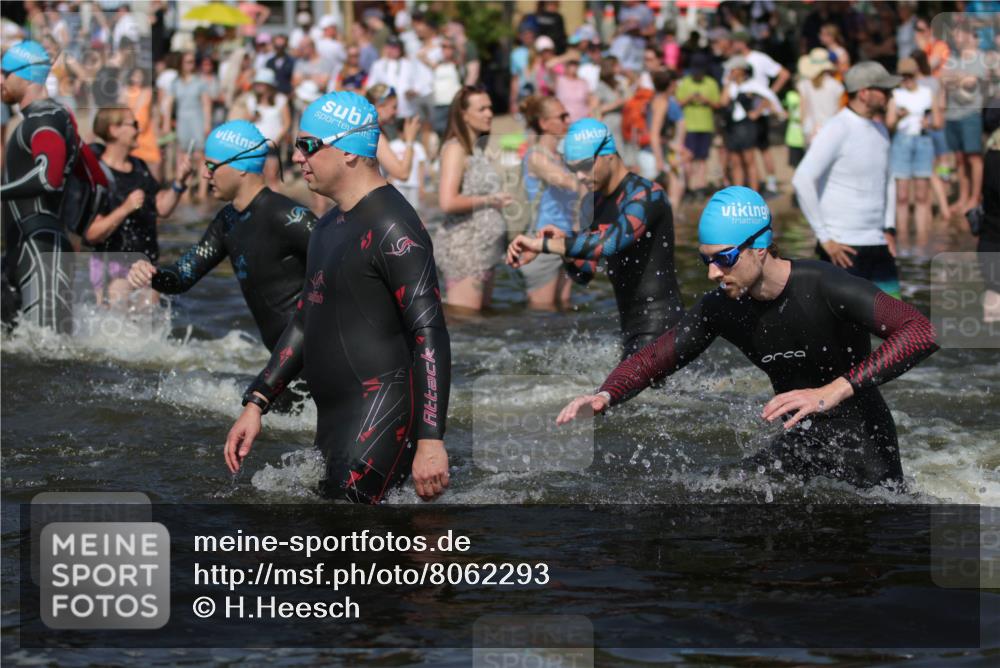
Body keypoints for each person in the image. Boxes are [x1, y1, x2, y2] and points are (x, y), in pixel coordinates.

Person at [556, 186, 939, 489]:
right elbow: (656, 356)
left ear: (759, 247)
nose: (712, 273)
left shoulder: (825, 285)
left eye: (723, 259)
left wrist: (832, 391)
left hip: (865, 445)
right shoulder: (722, 306)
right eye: (706, 261)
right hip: (802, 440)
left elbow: (922, 331)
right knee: (718, 498)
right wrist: (606, 394)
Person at [224, 91, 451, 503]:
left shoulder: (394, 227)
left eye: (309, 145)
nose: (296, 158)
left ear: (349, 151)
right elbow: (304, 320)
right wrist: (257, 401)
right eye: (296, 145)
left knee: (358, 550)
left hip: (382, 418)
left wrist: (430, 440)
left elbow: (429, 333)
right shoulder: (328, 227)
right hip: (334, 420)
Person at [127, 121, 317, 353]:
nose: (205, 174)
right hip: (283, 362)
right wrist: (152, 275)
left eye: (212, 166)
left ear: (241, 167)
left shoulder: (287, 216)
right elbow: (183, 276)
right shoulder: (227, 221)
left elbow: (347, 269)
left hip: (316, 357)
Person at [506, 118, 683, 357]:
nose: (579, 176)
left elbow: (609, 243)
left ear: (608, 154)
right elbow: (583, 273)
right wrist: (564, 246)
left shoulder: (647, 194)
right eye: (572, 169)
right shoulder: (593, 203)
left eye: (585, 165)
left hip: (661, 325)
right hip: (630, 327)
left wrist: (544, 244)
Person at [1, 40, 107, 333]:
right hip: (26, 249)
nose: (0, 80)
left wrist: (74, 233)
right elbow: (98, 182)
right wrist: (76, 233)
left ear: (26, 75)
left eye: (4, 73)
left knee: (49, 360)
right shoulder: (55, 117)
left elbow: (49, 176)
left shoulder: (44, 117)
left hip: (40, 252)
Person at [792, 62, 901, 298]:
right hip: (842, 249)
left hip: (879, 243)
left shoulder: (880, 130)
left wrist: (889, 228)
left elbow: (888, 180)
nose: (890, 95)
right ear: (864, 93)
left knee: (898, 325)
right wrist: (825, 239)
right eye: (884, 90)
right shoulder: (837, 128)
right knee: (846, 332)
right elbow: (802, 179)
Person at [86, 107, 191, 308]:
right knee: (117, 323)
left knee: (150, 322)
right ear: (114, 130)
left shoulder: (139, 166)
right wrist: (125, 208)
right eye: (133, 124)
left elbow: (162, 208)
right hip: (112, 266)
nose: (138, 129)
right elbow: (92, 234)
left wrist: (179, 182)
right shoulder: (97, 173)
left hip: (145, 263)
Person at [436, 86, 513, 311]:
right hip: (465, 249)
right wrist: (491, 200)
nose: (489, 113)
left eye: (490, 107)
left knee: (482, 321)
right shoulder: (455, 149)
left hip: (485, 249)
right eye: (481, 109)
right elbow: (447, 202)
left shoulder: (477, 149)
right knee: (467, 321)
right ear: (463, 114)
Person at [518, 95, 581, 310]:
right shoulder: (536, 157)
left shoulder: (562, 157)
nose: (568, 121)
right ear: (544, 123)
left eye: (568, 115)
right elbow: (567, 183)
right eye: (562, 116)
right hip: (541, 243)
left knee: (564, 310)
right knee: (543, 317)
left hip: (565, 240)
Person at [887, 58, 940, 254]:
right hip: (902, 141)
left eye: (909, 75)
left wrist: (930, 123)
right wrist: (899, 115)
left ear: (916, 74)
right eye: (904, 76)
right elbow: (889, 123)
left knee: (922, 195)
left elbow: (938, 122)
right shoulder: (896, 94)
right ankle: (901, 240)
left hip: (922, 141)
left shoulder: (927, 93)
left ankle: (921, 241)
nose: (906, 79)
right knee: (901, 196)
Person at [728, 32, 790, 197]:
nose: (731, 44)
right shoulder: (734, 62)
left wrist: (769, 96)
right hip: (742, 116)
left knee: (762, 150)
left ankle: (770, 185)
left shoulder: (759, 58)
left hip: (757, 114)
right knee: (744, 155)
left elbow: (784, 74)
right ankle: (747, 190)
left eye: (734, 41)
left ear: (742, 42)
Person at [942, 21, 986, 217]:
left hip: (970, 113)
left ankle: (975, 198)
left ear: (969, 36)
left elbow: (971, 82)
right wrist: (958, 78)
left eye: (959, 34)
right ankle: (963, 197)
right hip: (951, 113)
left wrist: (955, 79)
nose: (955, 38)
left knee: (974, 157)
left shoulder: (980, 59)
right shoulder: (952, 57)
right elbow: (943, 78)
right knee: (959, 159)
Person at [720, 57, 782, 193]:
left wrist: (757, 112)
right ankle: (738, 193)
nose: (730, 72)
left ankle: (754, 192)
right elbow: (723, 102)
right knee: (736, 161)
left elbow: (769, 98)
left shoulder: (752, 84)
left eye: (733, 69)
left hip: (747, 126)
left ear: (741, 70)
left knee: (749, 160)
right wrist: (728, 83)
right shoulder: (731, 86)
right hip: (733, 127)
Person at [164, 52, 211, 202]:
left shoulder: (199, 82)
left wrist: (207, 124)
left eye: (192, 62)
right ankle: (186, 191)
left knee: (200, 156)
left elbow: (206, 103)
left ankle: (202, 191)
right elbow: (169, 103)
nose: (190, 65)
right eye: (187, 62)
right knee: (183, 156)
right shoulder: (175, 83)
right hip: (182, 120)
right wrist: (166, 122)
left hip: (197, 119)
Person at [676, 53, 720, 199]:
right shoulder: (685, 82)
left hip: (706, 126)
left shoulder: (711, 83)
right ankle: (689, 186)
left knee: (702, 158)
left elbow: (718, 104)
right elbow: (677, 103)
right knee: (688, 158)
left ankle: (701, 186)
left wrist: (706, 100)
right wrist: (689, 98)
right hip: (689, 126)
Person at [796, 48, 844, 144]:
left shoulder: (804, 84)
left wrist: (803, 127)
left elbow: (803, 109)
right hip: (831, 129)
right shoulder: (836, 85)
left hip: (811, 130)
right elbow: (840, 111)